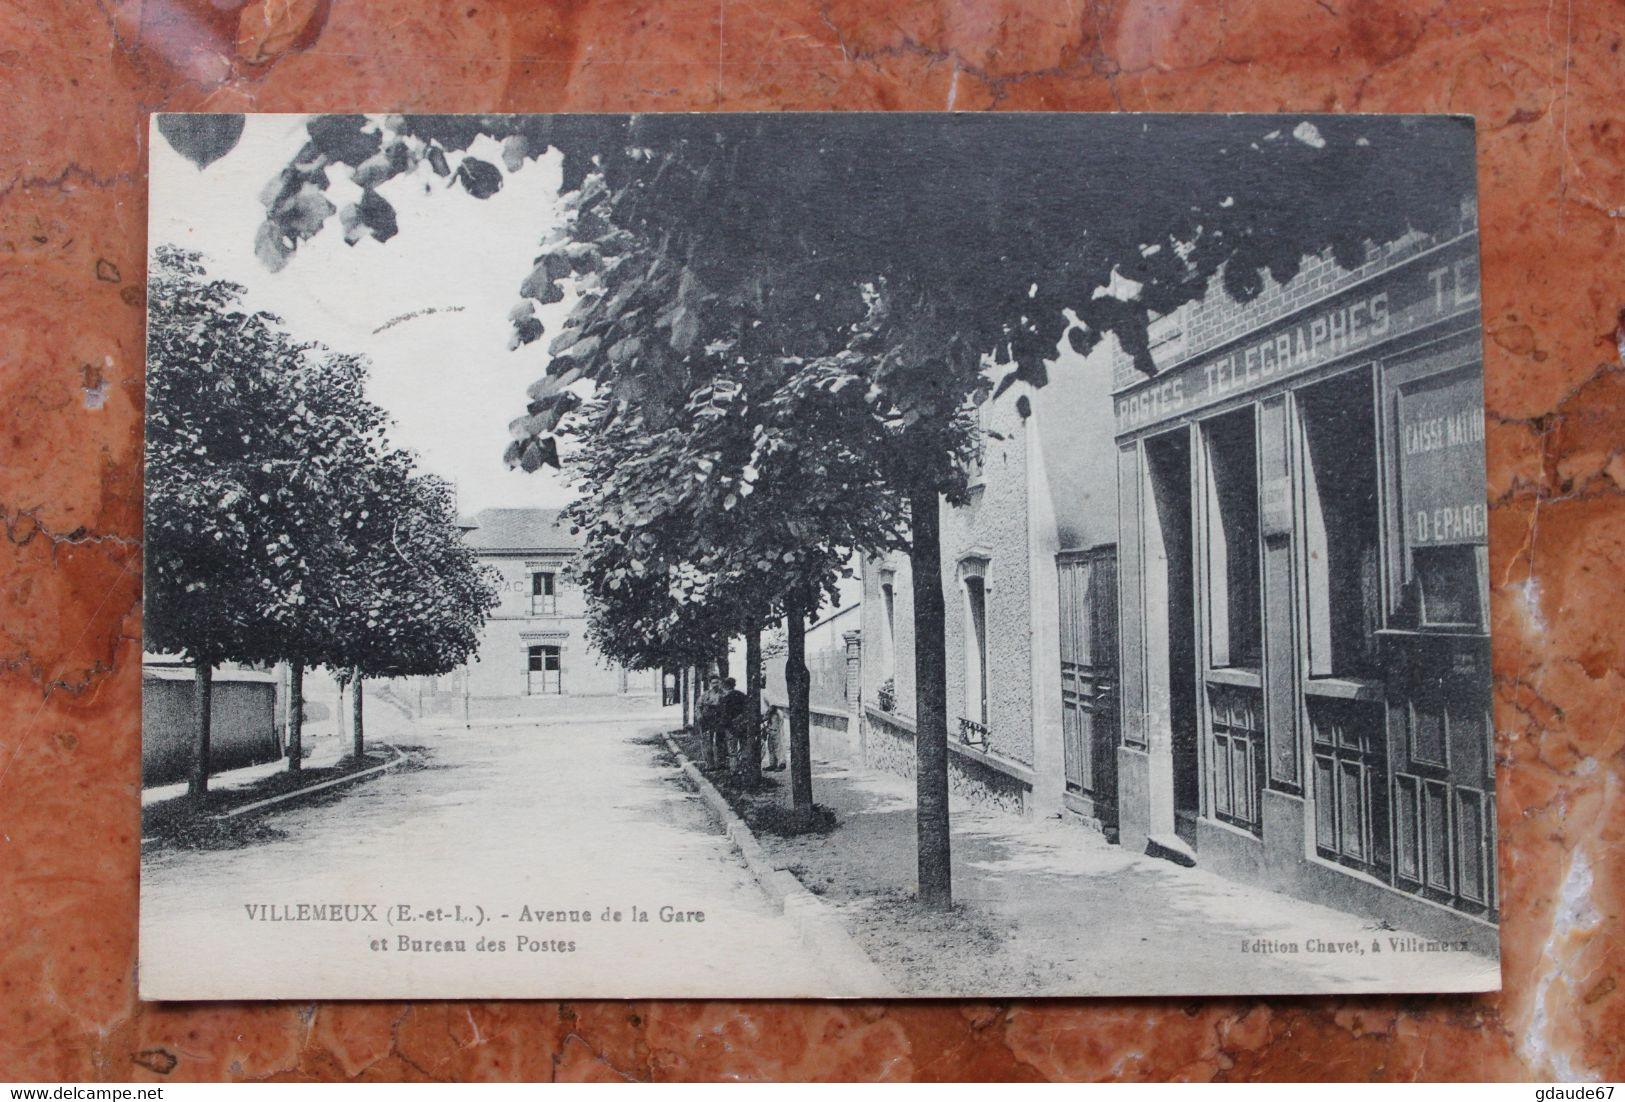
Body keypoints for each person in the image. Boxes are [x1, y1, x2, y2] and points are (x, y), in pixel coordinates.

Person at [720, 677, 749, 770]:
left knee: (732, 751)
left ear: (726, 686)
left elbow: (724, 715)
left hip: (730, 727)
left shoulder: (725, 698)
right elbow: (747, 710)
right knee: (744, 748)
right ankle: (745, 768)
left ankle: (734, 770)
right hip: (743, 725)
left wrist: (725, 725)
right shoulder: (742, 695)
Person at [696, 676, 723, 769]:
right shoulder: (706, 695)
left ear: (720, 683)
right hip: (707, 720)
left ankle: (720, 763)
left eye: (717, 682)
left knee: (720, 742)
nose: (715, 685)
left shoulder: (723, 694)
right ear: (710, 684)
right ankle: (709, 764)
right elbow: (698, 706)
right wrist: (699, 716)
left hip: (719, 720)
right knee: (707, 742)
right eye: (713, 683)